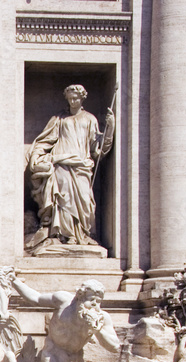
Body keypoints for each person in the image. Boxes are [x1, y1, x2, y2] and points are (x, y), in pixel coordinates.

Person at [27, 84, 114, 248]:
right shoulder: (59, 119)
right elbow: (45, 140)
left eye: (76, 98)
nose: (73, 101)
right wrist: (38, 155)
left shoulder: (90, 119)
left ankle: (82, 233)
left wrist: (110, 128)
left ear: (82, 98)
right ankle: (66, 236)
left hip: (81, 164)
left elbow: (98, 147)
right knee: (63, 197)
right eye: (70, 98)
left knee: (84, 199)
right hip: (62, 164)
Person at [12, 275, 119, 362]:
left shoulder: (102, 318)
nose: (95, 304)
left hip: (76, 361)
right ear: (80, 297)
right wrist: (14, 282)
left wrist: (98, 330)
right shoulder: (63, 302)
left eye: (99, 301)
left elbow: (114, 346)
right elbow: (35, 298)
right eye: (91, 299)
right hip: (52, 357)